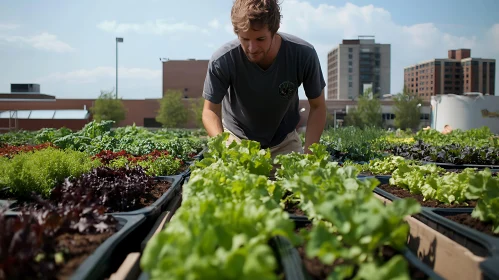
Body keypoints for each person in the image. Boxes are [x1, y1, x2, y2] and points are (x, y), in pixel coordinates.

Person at [201, 0, 327, 158]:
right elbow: (210, 111)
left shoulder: (303, 55)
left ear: (275, 30)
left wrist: (310, 156)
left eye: (260, 39)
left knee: (295, 181)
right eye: (245, 39)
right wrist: (222, 151)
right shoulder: (223, 60)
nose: (252, 48)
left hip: (284, 142)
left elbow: (318, 107)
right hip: (236, 141)